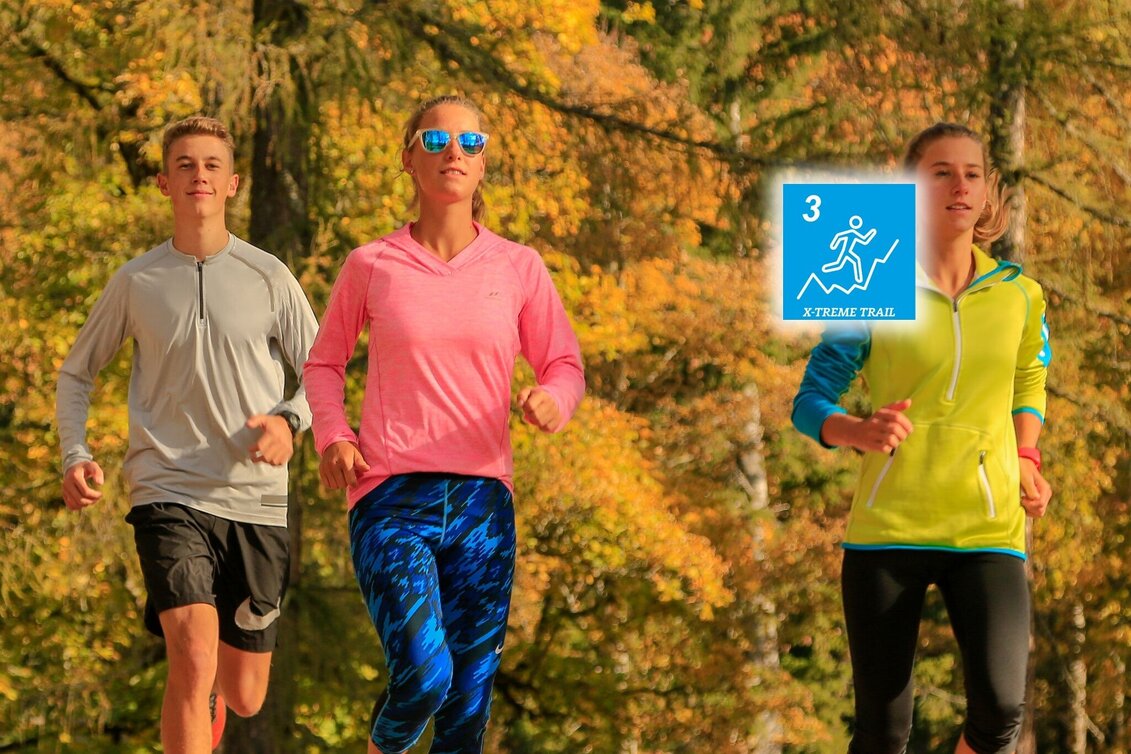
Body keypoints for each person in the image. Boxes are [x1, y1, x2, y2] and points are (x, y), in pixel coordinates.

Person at [303, 94, 585, 754]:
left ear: (483, 163)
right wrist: (333, 436)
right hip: (390, 498)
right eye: (435, 141)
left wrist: (552, 399)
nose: (453, 152)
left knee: (465, 712)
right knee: (426, 675)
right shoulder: (371, 264)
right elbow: (324, 365)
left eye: (469, 142)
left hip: (484, 504)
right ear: (409, 159)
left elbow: (564, 363)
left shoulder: (519, 267)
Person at [55, 115, 319, 753]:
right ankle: (198, 696)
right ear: (164, 184)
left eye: (210, 166)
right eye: (184, 165)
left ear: (231, 184)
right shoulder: (137, 281)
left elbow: (324, 375)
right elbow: (75, 373)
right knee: (192, 651)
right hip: (166, 489)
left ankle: (214, 702)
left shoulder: (268, 276)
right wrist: (75, 452)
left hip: (254, 498)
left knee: (246, 690)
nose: (198, 175)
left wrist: (289, 420)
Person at [792, 122, 1054, 754]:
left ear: (988, 191)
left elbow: (1028, 379)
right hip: (889, 529)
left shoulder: (1019, 294)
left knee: (1000, 711)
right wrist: (856, 429)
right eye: (941, 172)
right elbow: (809, 402)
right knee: (884, 733)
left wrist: (1024, 454)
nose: (959, 185)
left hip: (987, 527)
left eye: (972, 173)